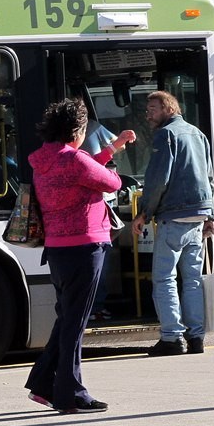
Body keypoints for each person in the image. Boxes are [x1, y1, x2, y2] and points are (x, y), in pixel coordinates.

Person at [24, 98, 136, 413]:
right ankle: (70, 393)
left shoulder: (44, 160)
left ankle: (44, 383)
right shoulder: (75, 160)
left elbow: (85, 169)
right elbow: (112, 182)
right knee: (75, 323)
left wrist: (111, 149)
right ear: (76, 130)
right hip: (86, 246)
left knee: (67, 319)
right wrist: (111, 158)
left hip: (58, 249)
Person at [131, 91, 214, 356]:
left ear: (169, 108)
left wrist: (144, 212)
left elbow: (158, 180)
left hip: (173, 215)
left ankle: (172, 337)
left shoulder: (165, 135)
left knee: (165, 278)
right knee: (192, 279)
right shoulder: (197, 134)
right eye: (148, 110)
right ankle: (197, 337)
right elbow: (209, 177)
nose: (148, 114)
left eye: (153, 109)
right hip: (198, 216)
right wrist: (211, 216)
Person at [81, 119, 119, 322]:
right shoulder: (92, 126)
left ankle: (87, 306)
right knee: (100, 256)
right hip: (99, 204)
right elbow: (112, 179)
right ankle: (96, 306)